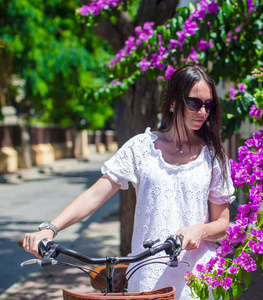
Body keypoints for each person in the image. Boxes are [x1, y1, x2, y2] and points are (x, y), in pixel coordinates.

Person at [22, 64, 236, 300]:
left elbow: (222, 224)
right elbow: (95, 195)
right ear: (173, 102)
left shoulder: (213, 156)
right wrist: (50, 229)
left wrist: (201, 230)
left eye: (209, 105)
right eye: (194, 103)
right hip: (146, 277)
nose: (203, 112)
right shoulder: (141, 148)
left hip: (197, 279)